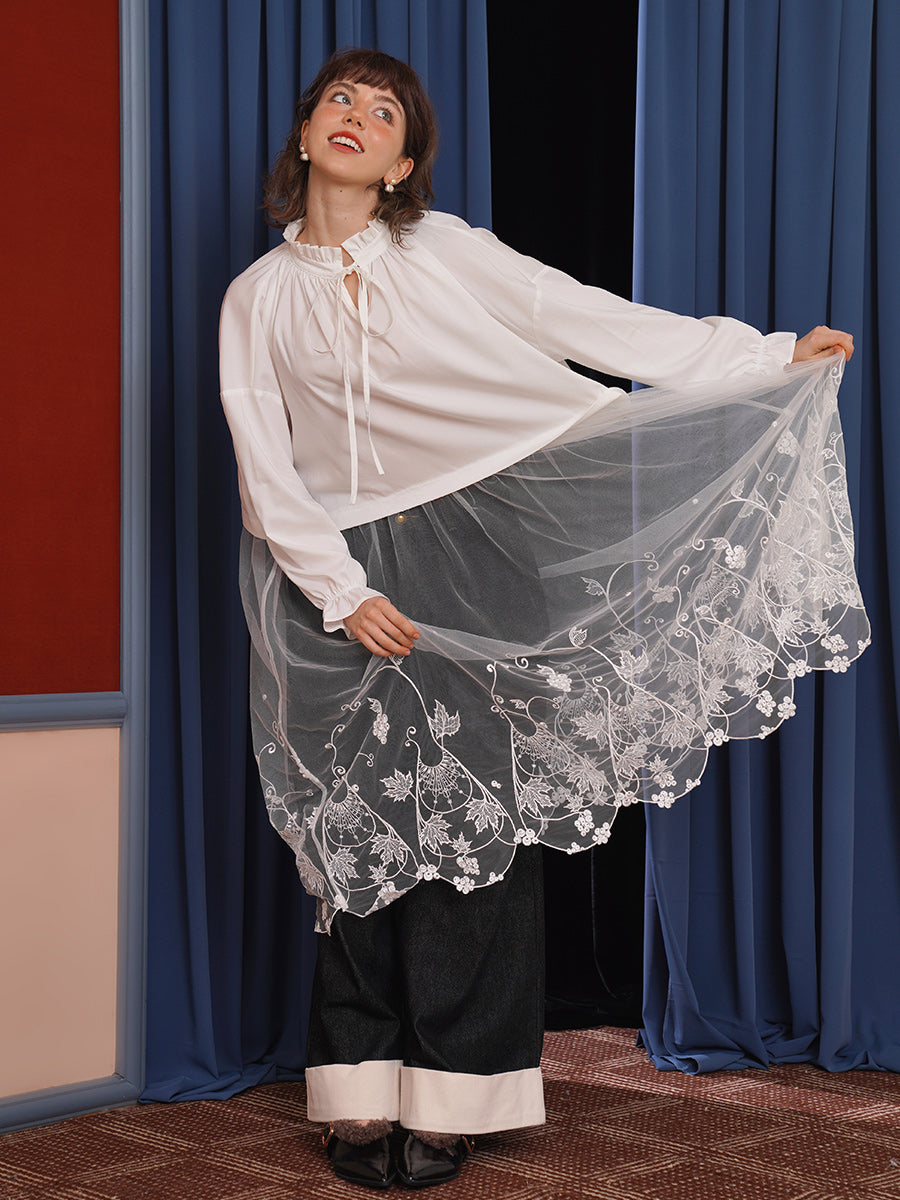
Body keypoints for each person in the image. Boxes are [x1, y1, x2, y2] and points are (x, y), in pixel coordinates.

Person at [220, 48, 864, 1190]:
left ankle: (458, 1092)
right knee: (354, 822)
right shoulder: (255, 298)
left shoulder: (443, 248)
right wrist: (344, 591)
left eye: (383, 111)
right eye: (339, 101)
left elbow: (585, 318)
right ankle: (359, 1082)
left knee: (476, 827)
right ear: (308, 134)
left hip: (478, 554)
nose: (356, 116)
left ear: (402, 162)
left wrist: (763, 356)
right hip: (339, 574)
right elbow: (264, 467)